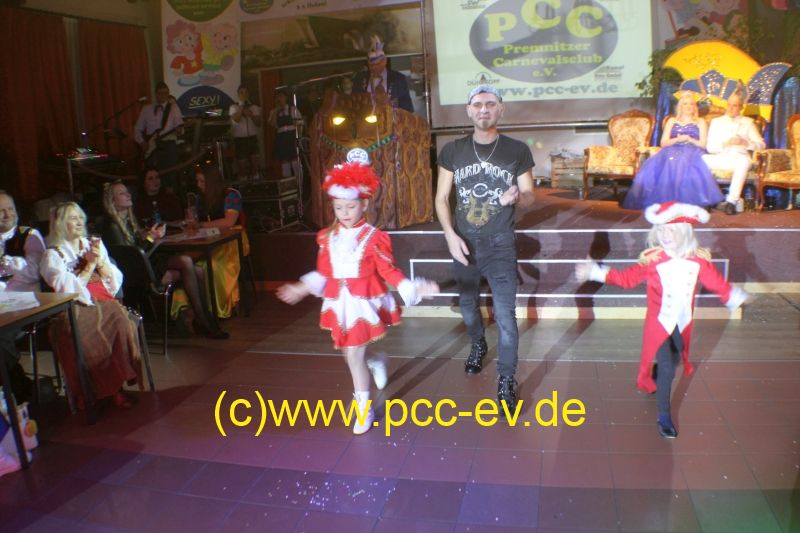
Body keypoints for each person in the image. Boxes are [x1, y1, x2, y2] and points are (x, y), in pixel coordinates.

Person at [276, 155, 438, 434]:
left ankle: (364, 410)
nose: (345, 212)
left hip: (363, 303)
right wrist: (300, 288)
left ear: (364, 204)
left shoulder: (374, 237)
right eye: (339, 207)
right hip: (339, 302)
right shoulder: (327, 237)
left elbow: (388, 270)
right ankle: (376, 359)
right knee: (349, 354)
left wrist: (411, 286)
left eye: (350, 206)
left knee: (352, 357)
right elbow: (324, 272)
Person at [576, 202, 747, 438]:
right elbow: (626, 279)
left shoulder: (698, 261)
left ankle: (658, 373)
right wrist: (595, 272)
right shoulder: (654, 260)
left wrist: (734, 296)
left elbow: (716, 283)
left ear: (684, 232)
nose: (665, 235)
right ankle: (664, 415)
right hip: (659, 323)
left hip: (683, 322)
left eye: (671, 230)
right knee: (667, 366)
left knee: (674, 359)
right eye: (661, 229)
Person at [434, 85, 535, 414]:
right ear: (468, 110)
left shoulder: (517, 150)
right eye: (477, 104)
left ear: (500, 109)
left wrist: (519, 197)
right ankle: (478, 344)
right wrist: (450, 235)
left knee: (505, 316)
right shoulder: (453, 151)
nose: (484, 109)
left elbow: (530, 195)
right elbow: (441, 198)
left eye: (490, 104)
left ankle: (506, 379)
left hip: (500, 243)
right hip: (463, 242)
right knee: (467, 307)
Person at [39, 202, 142, 409]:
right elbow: (66, 290)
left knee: (120, 321)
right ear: (60, 224)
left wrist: (101, 264)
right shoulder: (52, 255)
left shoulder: (92, 244)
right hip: (71, 305)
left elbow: (114, 279)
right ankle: (87, 390)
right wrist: (89, 266)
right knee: (76, 334)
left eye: (80, 217)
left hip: (102, 299)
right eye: (72, 218)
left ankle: (116, 388)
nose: (79, 222)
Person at [101, 181, 228, 339]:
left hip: (145, 264)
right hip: (138, 275)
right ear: (112, 201)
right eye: (122, 193)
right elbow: (132, 258)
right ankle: (205, 321)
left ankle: (203, 319)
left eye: (127, 191)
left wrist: (153, 238)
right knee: (185, 262)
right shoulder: (112, 227)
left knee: (198, 270)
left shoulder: (128, 221)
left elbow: (139, 249)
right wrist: (150, 238)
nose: (128, 195)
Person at [622, 91, 723, 210]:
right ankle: (666, 201)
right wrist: (677, 139)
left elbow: (703, 144)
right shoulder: (672, 121)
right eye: (685, 104)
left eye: (691, 104)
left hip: (693, 150)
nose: (688, 106)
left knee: (682, 159)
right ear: (680, 106)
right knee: (670, 159)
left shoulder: (700, 121)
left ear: (695, 107)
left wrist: (690, 139)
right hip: (672, 148)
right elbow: (663, 143)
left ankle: (685, 201)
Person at [0, 191, 46, 403]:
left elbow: (35, 272)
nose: (7, 214)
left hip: (25, 304)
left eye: (10, 208)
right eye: (1, 210)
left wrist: (8, 263)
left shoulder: (29, 235)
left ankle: (15, 386)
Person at [193, 165, 247, 318]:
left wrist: (201, 225)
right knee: (195, 265)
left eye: (202, 181)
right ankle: (199, 309)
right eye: (197, 181)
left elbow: (229, 222)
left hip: (232, 239)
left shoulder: (231, 195)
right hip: (211, 240)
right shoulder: (201, 199)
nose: (199, 185)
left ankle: (216, 308)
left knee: (213, 265)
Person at [702, 91, 765, 215]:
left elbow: (761, 145)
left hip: (739, 158)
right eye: (729, 105)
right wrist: (726, 143)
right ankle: (707, 200)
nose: (731, 108)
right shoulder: (716, 122)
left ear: (741, 107)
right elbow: (710, 147)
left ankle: (731, 202)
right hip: (721, 157)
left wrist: (745, 143)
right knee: (702, 159)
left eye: (735, 105)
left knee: (743, 162)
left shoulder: (748, 122)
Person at [134, 81, 184, 191]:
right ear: (156, 94)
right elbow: (137, 129)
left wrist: (179, 130)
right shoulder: (146, 108)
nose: (163, 96)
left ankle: (170, 194)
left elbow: (180, 128)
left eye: (165, 93)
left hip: (168, 144)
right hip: (151, 146)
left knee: (170, 174)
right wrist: (142, 142)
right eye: (160, 93)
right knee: (151, 174)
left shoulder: (173, 107)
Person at [352, 35, 414, 113]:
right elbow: (354, 104)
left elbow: (407, 108)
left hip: (390, 118)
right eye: (371, 65)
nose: (374, 68)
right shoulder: (359, 78)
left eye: (378, 64)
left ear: (385, 61)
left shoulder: (398, 79)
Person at [229, 85, 263, 181]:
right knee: (242, 166)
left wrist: (251, 115)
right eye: (241, 92)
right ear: (238, 94)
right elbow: (236, 119)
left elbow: (259, 123)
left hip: (252, 138)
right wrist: (241, 107)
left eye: (246, 92)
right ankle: (243, 184)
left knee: (255, 164)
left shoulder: (254, 107)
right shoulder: (233, 107)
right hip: (240, 140)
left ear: (248, 94)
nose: (244, 94)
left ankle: (256, 182)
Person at [267, 90, 303, 178]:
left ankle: (299, 181)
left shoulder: (293, 109)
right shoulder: (274, 111)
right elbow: (272, 124)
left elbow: (300, 124)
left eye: (281, 96)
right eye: (277, 97)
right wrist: (276, 111)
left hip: (292, 136)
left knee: (294, 159)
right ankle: (288, 183)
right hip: (281, 138)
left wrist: (299, 138)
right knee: (284, 161)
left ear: (286, 98)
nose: (279, 99)